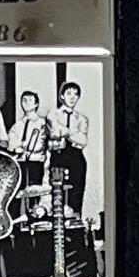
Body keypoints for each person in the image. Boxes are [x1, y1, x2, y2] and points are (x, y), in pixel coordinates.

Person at [47, 81, 88, 216]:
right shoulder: (53, 114)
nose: (72, 97)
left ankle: (75, 219)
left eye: (75, 94)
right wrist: (73, 133)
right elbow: (55, 132)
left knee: (76, 191)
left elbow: (83, 140)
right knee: (57, 193)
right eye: (69, 93)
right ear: (62, 96)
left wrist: (65, 132)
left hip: (76, 157)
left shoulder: (82, 118)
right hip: (58, 156)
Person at [8, 90, 48, 189]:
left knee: (34, 189)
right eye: (24, 100)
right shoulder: (17, 125)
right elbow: (12, 143)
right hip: (20, 161)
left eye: (30, 100)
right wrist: (17, 148)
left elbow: (40, 143)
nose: (26, 103)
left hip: (36, 161)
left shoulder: (42, 123)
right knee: (20, 188)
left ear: (36, 104)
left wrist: (24, 147)